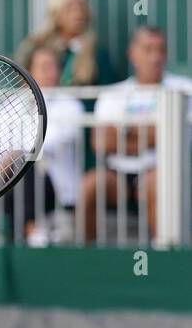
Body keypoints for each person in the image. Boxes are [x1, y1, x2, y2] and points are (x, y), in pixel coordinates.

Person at [82, 25, 192, 242]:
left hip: (165, 170)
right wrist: (152, 133)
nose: (155, 57)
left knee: (156, 182)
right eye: (148, 49)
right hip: (118, 173)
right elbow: (101, 141)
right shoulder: (114, 94)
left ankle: (163, 257)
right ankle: (87, 256)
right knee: (89, 185)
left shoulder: (184, 88)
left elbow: (174, 137)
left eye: (160, 50)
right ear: (132, 54)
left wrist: (124, 131)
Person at [1, 45, 86, 245]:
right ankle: (32, 231)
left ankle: (31, 231)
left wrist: (12, 155)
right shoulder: (8, 106)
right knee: (8, 173)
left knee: (25, 163)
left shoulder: (71, 105)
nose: (51, 73)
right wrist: (1, 165)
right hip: (7, 188)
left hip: (56, 191)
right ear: (28, 72)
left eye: (54, 67)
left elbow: (45, 145)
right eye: (44, 67)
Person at [15, 0, 112, 86]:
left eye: (81, 7)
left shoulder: (96, 53)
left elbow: (106, 89)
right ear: (56, 13)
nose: (78, 14)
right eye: (69, 8)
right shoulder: (37, 45)